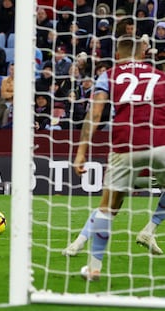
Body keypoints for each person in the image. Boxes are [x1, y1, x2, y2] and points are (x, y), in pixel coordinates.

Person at [68, 35, 165, 281]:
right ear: (143, 54)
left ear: (118, 56)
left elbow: (96, 112)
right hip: (160, 142)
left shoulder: (108, 75)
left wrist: (81, 152)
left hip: (125, 144)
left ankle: (94, 268)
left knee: (108, 206)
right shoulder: (159, 76)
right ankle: (150, 228)